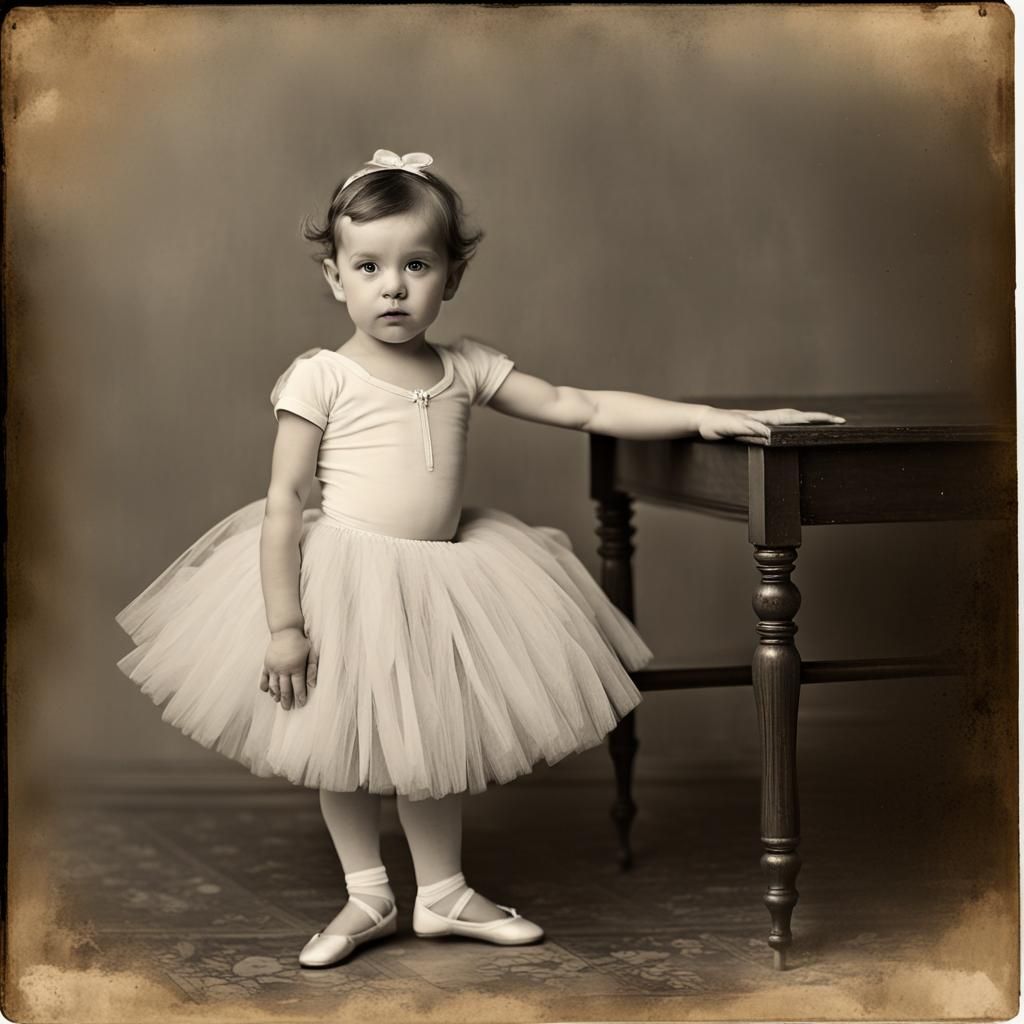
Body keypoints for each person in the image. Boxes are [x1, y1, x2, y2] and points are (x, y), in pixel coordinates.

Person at [115, 148, 845, 970]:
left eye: (416, 265)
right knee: (338, 741)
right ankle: (367, 893)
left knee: (433, 739)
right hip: (345, 580)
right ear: (334, 278)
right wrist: (285, 623)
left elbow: (582, 405)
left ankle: (443, 893)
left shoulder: (465, 366)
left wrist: (704, 416)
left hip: (441, 579)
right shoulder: (321, 378)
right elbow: (284, 502)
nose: (393, 286)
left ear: (450, 278)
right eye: (369, 266)